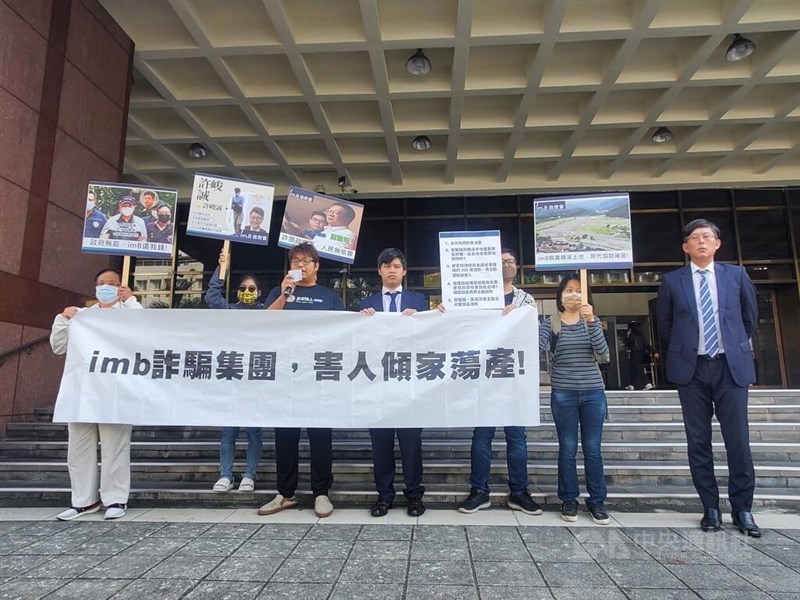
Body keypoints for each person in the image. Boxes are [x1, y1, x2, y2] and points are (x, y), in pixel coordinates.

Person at [656, 219, 760, 536]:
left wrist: (733, 345)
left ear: (717, 243)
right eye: (694, 238)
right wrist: (687, 348)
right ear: (685, 246)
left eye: (707, 237)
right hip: (692, 369)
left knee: (738, 441)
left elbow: (750, 318)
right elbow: (665, 325)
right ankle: (710, 507)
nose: (701, 241)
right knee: (698, 442)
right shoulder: (672, 281)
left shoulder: (736, 275)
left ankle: (742, 509)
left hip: (730, 366)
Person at [258, 243, 344, 518]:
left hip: (319, 377)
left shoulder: (329, 297)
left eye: (307, 260)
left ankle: (321, 494)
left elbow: (345, 333)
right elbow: (263, 325)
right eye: (296, 260)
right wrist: (284, 294)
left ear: (317, 266)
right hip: (286, 377)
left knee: (321, 438)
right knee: (285, 437)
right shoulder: (280, 292)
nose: (301, 265)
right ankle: (285, 494)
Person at [456, 248, 543, 516]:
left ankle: (519, 492)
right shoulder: (479, 297)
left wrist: (519, 317)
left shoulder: (526, 300)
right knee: (482, 435)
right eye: (501, 262)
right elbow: (463, 329)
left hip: (514, 378)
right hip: (484, 377)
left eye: (511, 261)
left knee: (516, 436)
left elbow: (535, 339)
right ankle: (479, 491)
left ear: (517, 267)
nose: (506, 265)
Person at [50, 268, 142, 520]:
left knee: (115, 448)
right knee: (78, 450)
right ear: (94, 287)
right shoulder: (83, 317)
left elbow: (146, 334)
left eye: (112, 284)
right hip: (81, 393)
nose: (106, 287)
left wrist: (131, 300)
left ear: (120, 286)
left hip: (115, 392)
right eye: (101, 283)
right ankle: (83, 501)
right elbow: (58, 347)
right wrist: (63, 318)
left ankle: (115, 500)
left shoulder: (129, 313)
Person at [358, 248, 429, 517]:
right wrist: (360, 323)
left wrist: (423, 320)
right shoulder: (367, 304)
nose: (391, 270)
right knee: (381, 443)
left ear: (404, 271)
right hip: (377, 386)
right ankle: (384, 496)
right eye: (386, 265)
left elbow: (433, 335)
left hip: (409, 384)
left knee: (411, 443)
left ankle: (414, 495)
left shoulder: (419, 301)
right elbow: (357, 342)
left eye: (397, 266)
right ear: (379, 271)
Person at [539, 273, 611, 525]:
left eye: (578, 290)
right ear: (559, 295)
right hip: (563, 394)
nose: (573, 294)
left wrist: (591, 321)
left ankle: (597, 501)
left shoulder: (592, 320)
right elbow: (535, 347)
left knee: (593, 449)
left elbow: (603, 355)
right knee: (567, 448)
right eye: (568, 290)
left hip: (593, 393)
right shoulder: (551, 322)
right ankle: (569, 499)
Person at [203, 249, 265, 493]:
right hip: (231, 377)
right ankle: (226, 475)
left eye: (251, 289)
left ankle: (250, 474)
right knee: (228, 430)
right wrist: (222, 268)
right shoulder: (230, 311)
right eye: (243, 288)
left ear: (259, 293)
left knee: (253, 431)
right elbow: (212, 298)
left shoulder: (266, 314)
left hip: (255, 379)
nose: (247, 292)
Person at [624, 321, 654, 391]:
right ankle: (631, 384)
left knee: (637, 368)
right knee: (634, 369)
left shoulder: (632, 336)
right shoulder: (642, 336)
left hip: (635, 353)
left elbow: (627, 344)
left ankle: (647, 383)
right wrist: (653, 351)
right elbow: (647, 345)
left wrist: (627, 336)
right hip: (642, 353)